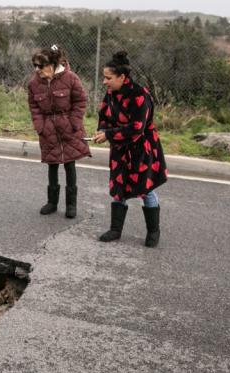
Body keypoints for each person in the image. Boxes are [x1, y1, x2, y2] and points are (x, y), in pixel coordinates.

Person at [92, 51, 167, 247]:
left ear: (122, 77)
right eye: (104, 78)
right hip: (120, 149)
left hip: (141, 149)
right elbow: (104, 115)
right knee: (118, 188)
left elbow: (136, 128)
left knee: (145, 189)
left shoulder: (140, 95)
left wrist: (109, 134)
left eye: (108, 78)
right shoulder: (110, 93)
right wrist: (102, 130)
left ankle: (153, 232)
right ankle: (115, 229)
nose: (104, 82)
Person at [27, 45, 90, 218]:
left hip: (69, 127)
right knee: (52, 164)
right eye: (35, 66)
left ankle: (71, 205)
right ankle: (52, 203)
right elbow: (34, 106)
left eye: (41, 66)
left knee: (70, 165)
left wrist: (75, 122)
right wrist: (40, 126)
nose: (37, 70)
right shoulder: (33, 83)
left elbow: (80, 100)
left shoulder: (71, 78)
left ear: (53, 64)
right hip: (48, 129)